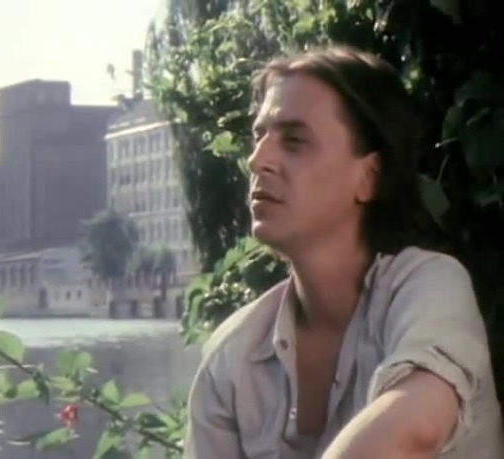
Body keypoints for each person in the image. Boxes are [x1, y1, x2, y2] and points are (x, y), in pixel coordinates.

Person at [183, 45, 504, 458]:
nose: (258, 161)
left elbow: (416, 427)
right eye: (259, 136)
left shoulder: (428, 288)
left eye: (294, 141)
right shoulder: (233, 357)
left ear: (369, 176)